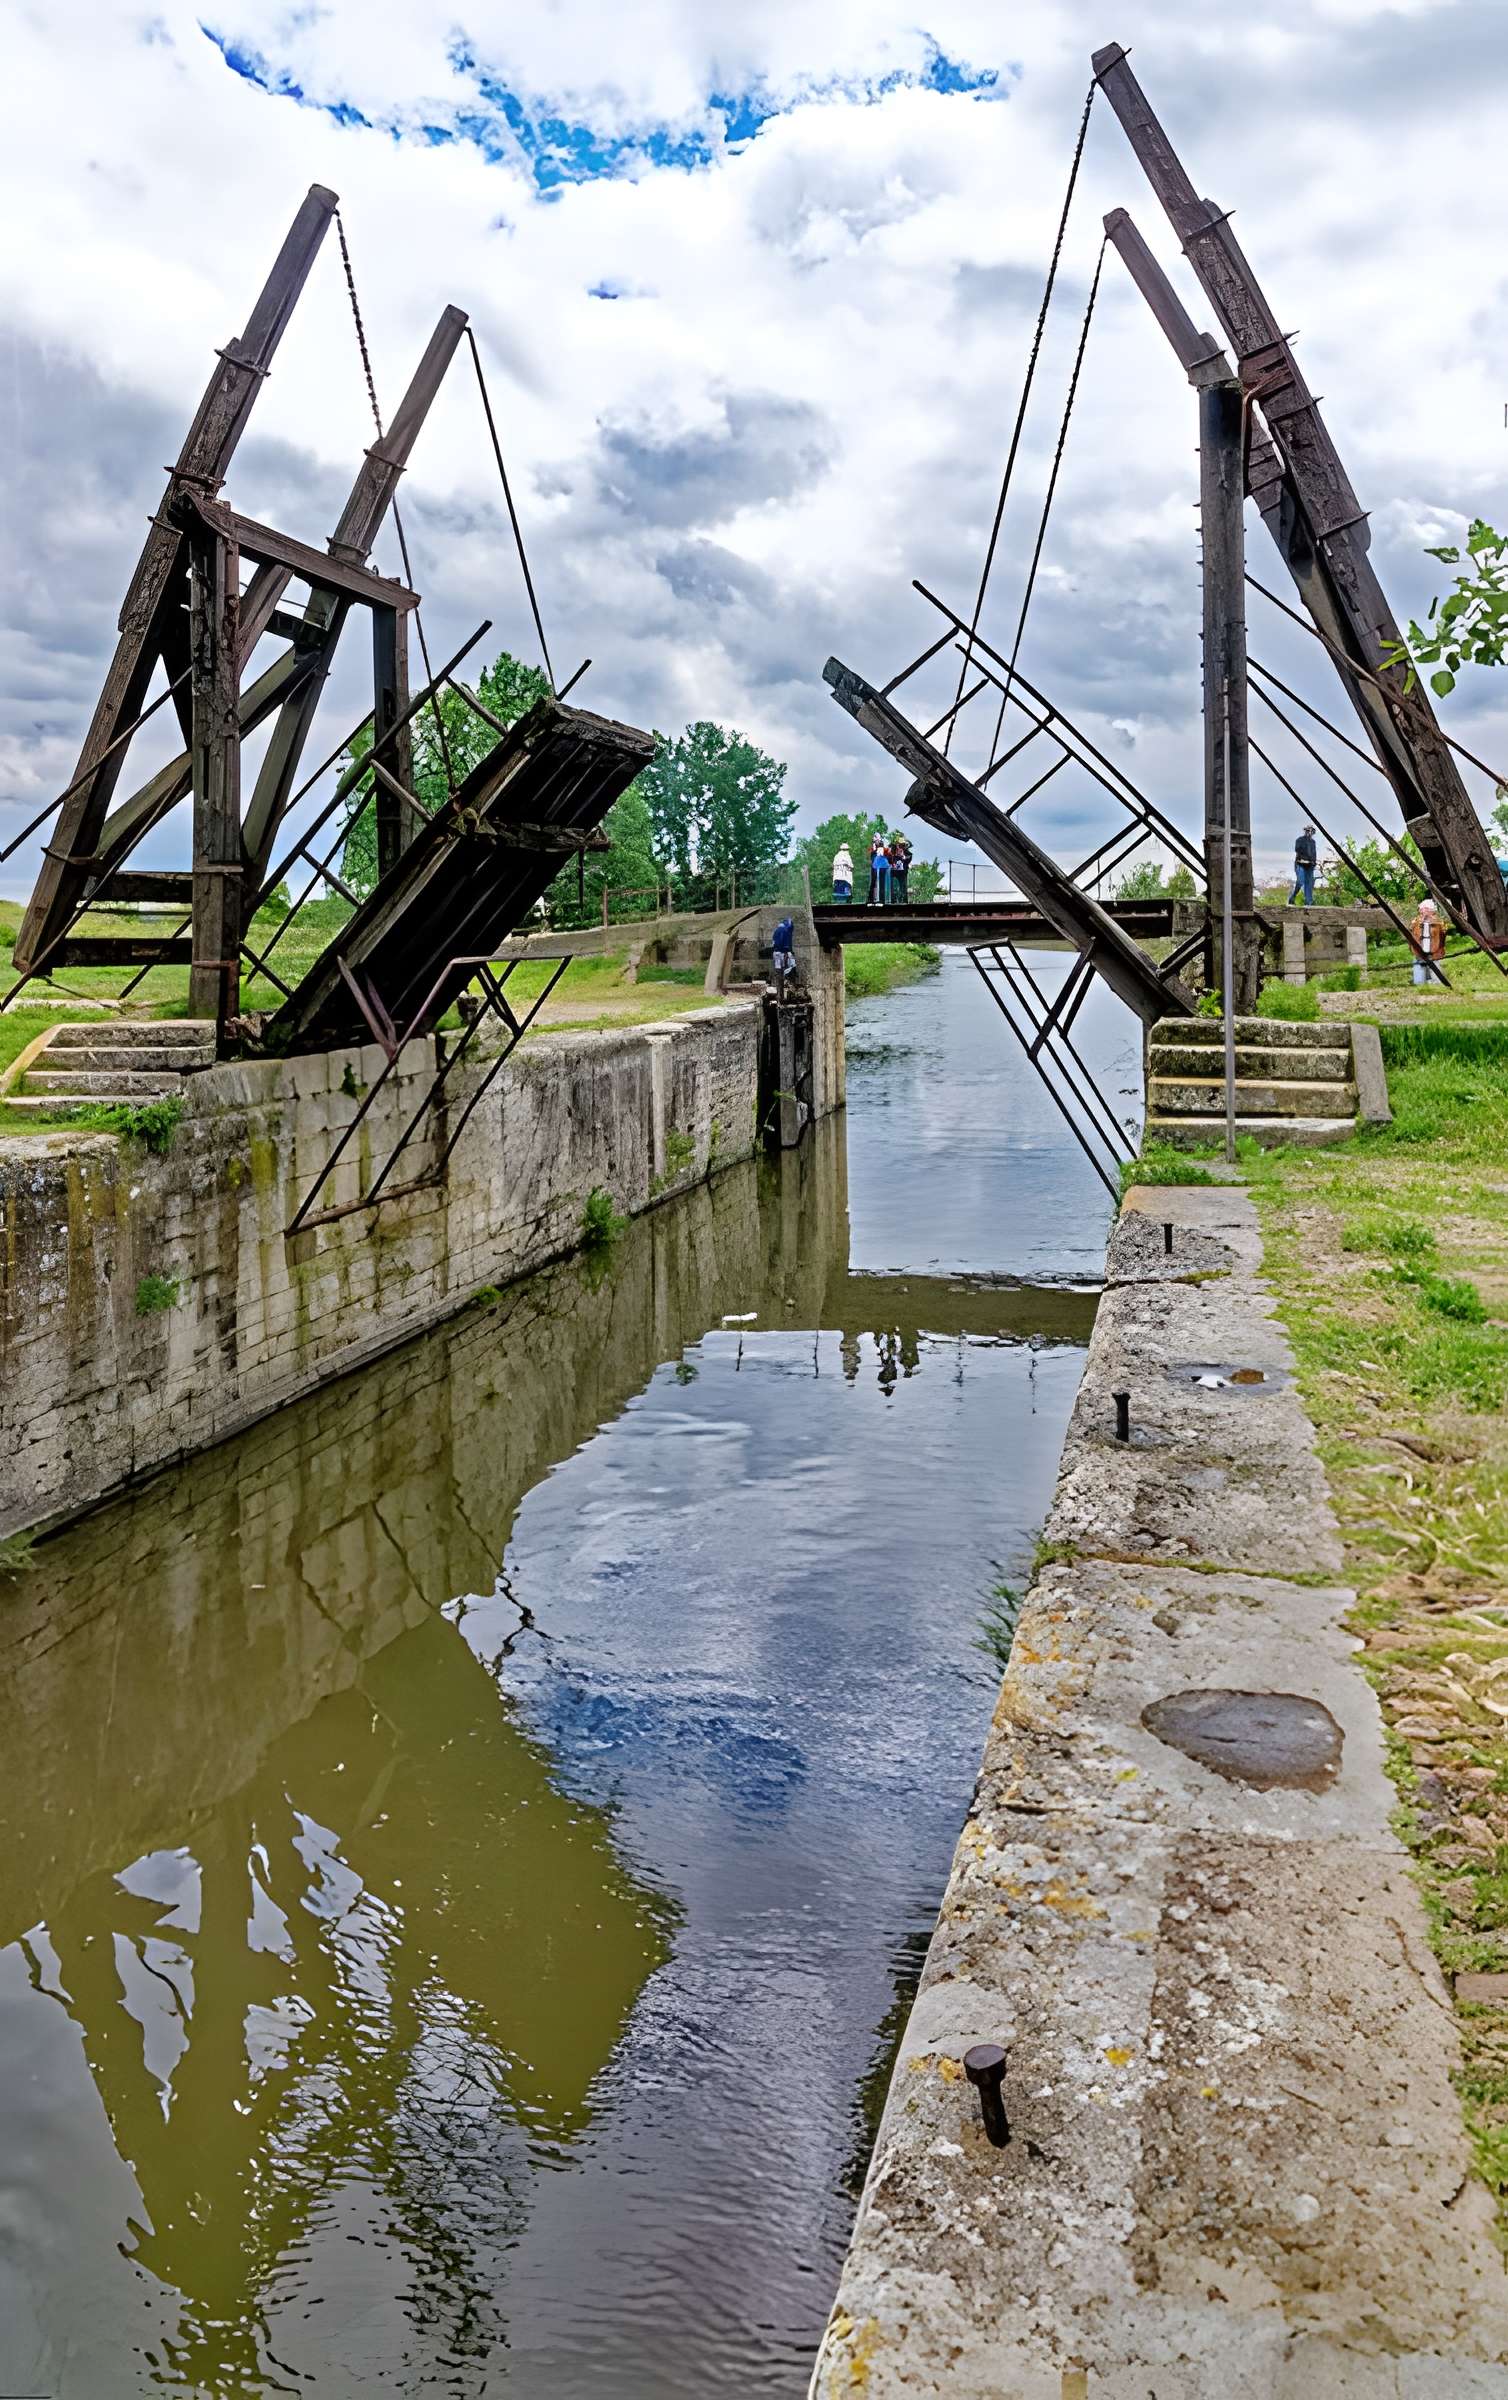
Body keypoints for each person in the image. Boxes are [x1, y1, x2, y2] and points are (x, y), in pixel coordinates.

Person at [1410, 896, 1446, 988]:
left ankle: (1435, 984)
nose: (1421, 911)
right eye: (1421, 909)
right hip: (1419, 953)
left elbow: (1442, 937)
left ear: (1430, 910)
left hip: (1434, 953)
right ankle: (1423, 984)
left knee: (1437, 980)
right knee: (1419, 982)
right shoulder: (1415, 922)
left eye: (1424, 909)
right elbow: (1412, 936)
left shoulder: (1439, 923)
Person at [1290, 824, 1317, 906]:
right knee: (1300, 882)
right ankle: (1292, 897)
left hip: (1310, 866)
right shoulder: (1299, 840)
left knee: (1309, 884)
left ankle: (1308, 902)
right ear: (1305, 831)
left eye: (1311, 831)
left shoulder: (1313, 842)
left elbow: (1314, 853)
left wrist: (1313, 862)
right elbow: (1297, 850)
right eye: (1308, 830)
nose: (1309, 832)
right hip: (1300, 864)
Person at [771, 913, 798, 997]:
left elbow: (774, 944)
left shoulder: (776, 930)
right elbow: (786, 946)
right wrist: (787, 954)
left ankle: (779, 994)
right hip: (784, 954)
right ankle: (791, 992)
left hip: (776, 954)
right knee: (790, 970)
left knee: (778, 973)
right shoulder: (786, 931)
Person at [889, 834, 911, 905]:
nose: (900, 847)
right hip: (894, 871)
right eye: (899, 845)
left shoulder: (907, 852)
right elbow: (889, 858)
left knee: (903, 887)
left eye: (902, 845)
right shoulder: (893, 850)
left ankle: (904, 901)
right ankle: (893, 900)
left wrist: (903, 857)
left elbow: (909, 858)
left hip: (902, 872)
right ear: (897, 844)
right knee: (892, 886)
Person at [867, 834, 887, 907]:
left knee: (881, 883)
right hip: (874, 868)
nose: (876, 842)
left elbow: (886, 855)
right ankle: (871, 900)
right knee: (873, 883)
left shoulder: (883, 848)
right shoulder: (872, 848)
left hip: (881, 868)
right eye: (875, 841)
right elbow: (869, 854)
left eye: (877, 840)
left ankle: (881, 900)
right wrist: (874, 850)